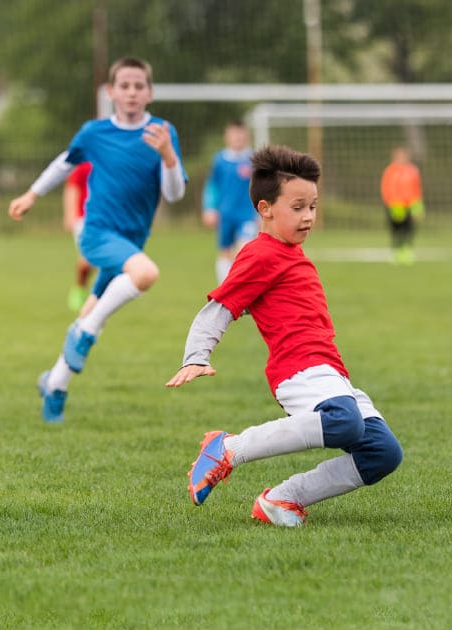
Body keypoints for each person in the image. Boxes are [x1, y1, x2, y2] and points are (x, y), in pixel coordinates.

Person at [167, 145, 403, 527]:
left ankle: (282, 499)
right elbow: (219, 308)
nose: (308, 216)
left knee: (383, 452)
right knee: (344, 422)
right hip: (297, 368)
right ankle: (228, 449)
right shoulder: (260, 253)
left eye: (312, 206)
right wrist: (196, 356)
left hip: (329, 371)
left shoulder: (292, 253)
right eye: (298, 208)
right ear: (265, 209)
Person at [8, 56, 187, 423]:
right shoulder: (94, 132)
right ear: (111, 92)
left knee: (92, 310)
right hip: (97, 234)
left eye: (139, 86)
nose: (132, 92)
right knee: (146, 275)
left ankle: (54, 385)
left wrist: (168, 155)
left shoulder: (162, 133)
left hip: (132, 241)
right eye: (125, 85)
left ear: (149, 93)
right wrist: (31, 194)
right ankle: (85, 334)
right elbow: (64, 162)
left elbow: (174, 195)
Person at [201, 122, 258, 284]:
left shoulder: (253, 160)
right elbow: (212, 186)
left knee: (244, 250)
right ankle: (225, 288)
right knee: (225, 251)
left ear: (247, 136)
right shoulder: (220, 160)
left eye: (241, 134)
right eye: (234, 134)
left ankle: (241, 288)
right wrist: (209, 208)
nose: (238, 138)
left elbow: (261, 188)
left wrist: (261, 212)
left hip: (246, 215)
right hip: (225, 214)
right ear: (227, 137)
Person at [379, 145, 425, 265]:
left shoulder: (413, 170)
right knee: (396, 229)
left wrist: (418, 205)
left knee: (409, 229)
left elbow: (416, 188)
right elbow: (386, 188)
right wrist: (390, 202)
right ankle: (396, 251)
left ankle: (407, 251)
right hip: (395, 205)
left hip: (410, 205)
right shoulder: (390, 171)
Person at [62, 162, 94, 311]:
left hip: (107, 218)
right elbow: (72, 187)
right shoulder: (85, 164)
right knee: (87, 260)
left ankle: (99, 297)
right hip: (84, 219)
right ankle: (80, 287)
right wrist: (70, 214)